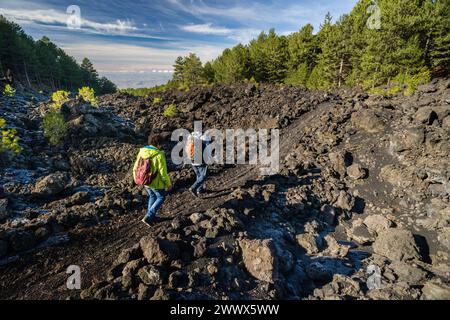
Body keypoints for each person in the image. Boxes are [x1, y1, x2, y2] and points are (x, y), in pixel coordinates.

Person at [133, 133, 172, 226]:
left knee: (152, 196)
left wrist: (135, 177)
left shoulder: (142, 151)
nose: (162, 145)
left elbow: (136, 165)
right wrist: (168, 184)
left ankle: (151, 217)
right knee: (161, 197)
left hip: (145, 181)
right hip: (155, 182)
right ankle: (149, 216)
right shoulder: (159, 154)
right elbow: (163, 172)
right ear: (158, 144)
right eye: (161, 143)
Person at [186, 130, 211, 197]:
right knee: (203, 176)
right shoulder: (204, 137)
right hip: (201, 161)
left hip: (192, 160)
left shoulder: (190, 136)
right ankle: (193, 187)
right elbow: (208, 149)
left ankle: (199, 189)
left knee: (198, 175)